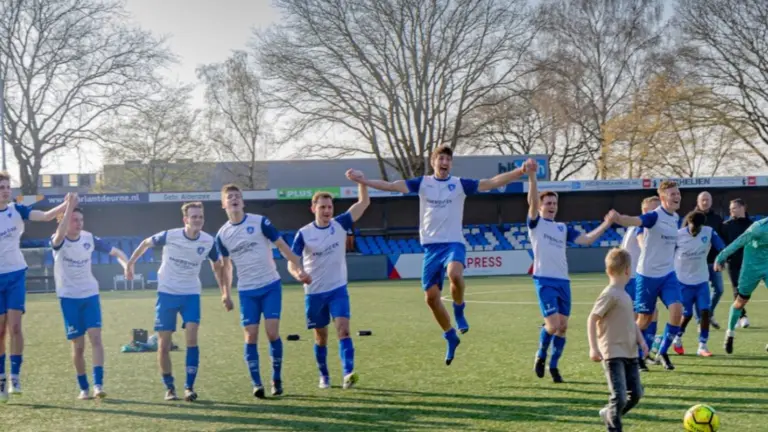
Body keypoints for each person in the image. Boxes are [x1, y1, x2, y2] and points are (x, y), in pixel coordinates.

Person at [346, 145, 534, 364]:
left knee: (455, 273)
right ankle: (450, 335)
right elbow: (390, 186)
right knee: (431, 298)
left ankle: (459, 308)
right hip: (431, 247)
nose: (444, 163)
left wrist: (520, 171)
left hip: (454, 243)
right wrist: (363, 180)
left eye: (448, 160)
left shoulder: (459, 184)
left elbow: (492, 182)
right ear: (433, 161)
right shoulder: (423, 183)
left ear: (450, 164)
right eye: (441, 159)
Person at [215, 184, 310, 399]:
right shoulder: (222, 235)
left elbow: (282, 245)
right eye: (229, 197)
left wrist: (298, 267)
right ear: (223, 204)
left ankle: (276, 379)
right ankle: (256, 383)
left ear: (243, 202)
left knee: (272, 332)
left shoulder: (260, 222)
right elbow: (226, 267)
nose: (234, 199)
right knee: (250, 335)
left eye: (237, 196)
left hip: (270, 286)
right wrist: (226, 294)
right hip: (247, 291)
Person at [528, 164, 617, 383]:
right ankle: (540, 354)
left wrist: (606, 224)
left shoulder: (562, 228)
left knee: (563, 327)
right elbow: (531, 199)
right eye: (547, 203)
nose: (551, 206)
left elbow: (586, 240)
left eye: (554, 203)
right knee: (553, 325)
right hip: (544, 280)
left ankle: (554, 366)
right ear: (540, 206)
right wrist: (532, 176)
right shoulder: (536, 224)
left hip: (563, 282)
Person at [125, 202, 221, 402]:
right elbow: (145, 243)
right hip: (167, 293)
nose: (197, 220)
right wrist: (130, 264)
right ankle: (169, 388)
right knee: (164, 344)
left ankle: (189, 387)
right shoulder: (170, 235)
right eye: (193, 217)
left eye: (200, 217)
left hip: (191, 294)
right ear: (185, 220)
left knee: (192, 339)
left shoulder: (208, 241)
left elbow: (217, 264)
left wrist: (225, 290)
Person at [288, 177, 369, 389]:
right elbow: (292, 262)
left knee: (343, 330)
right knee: (321, 338)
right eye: (322, 207)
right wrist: (298, 274)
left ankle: (347, 374)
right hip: (314, 292)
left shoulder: (340, 224)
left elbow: (363, 203)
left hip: (338, 289)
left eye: (330, 207)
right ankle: (324, 375)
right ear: (313, 208)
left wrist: (361, 182)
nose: (327, 211)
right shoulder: (304, 233)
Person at [52, 194, 129, 400]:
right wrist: (69, 207)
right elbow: (59, 237)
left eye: (80, 220)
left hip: (90, 295)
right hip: (68, 298)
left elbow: (117, 252)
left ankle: (98, 385)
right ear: (64, 221)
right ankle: (83, 388)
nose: (78, 224)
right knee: (78, 346)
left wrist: (126, 265)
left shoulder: (89, 238)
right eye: (73, 220)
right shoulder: (57, 240)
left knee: (96, 337)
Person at [0, 172, 67, 401]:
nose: (6, 190)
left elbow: (47, 216)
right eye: (2, 187)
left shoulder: (16, 210)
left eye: (8, 187)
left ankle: (14, 377)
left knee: (15, 328)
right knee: (0, 331)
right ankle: (1, 379)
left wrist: (66, 204)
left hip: (16, 274)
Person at [613, 180, 682, 371]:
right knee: (643, 320)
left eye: (678, 193)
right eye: (672, 194)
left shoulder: (675, 217)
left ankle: (663, 352)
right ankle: (633, 354)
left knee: (677, 311)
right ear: (662, 198)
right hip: (647, 276)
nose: (677, 197)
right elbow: (636, 222)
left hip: (668, 274)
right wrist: (619, 218)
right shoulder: (653, 216)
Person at [588, 248, 647, 432]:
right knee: (619, 396)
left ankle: (609, 413)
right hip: (613, 353)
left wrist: (642, 342)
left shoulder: (625, 296)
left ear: (608, 270)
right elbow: (592, 318)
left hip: (630, 353)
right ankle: (614, 426)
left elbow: (632, 323)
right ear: (629, 270)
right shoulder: (610, 294)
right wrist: (593, 348)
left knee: (635, 394)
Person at [671, 211, 724, 357]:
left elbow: (721, 247)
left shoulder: (709, 232)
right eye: (694, 227)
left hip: (701, 280)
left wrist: (721, 258)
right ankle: (678, 338)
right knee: (686, 314)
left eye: (699, 228)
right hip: (682, 282)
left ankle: (702, 345)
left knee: (705, 312)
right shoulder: (678, 235)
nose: (696, 231)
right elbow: (667, 253)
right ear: (689, 223)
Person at [714, 217, 768, 354]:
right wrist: (720, 258)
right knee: (740, 302)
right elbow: (738, 243)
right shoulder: (758, 228)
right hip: (751, 269)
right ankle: (730, 333)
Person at [620, 196, 660, 371]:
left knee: (652, 314)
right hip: (634, 278)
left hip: (644, 277)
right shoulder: (640, 226)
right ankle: (635, 356)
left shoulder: (653, 226)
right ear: (644, 211)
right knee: (641, 317)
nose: (657, 213)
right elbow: (641, 242)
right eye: (653, 209)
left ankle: (643, 354)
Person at [693, 192, 725, 329]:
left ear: (711, 201)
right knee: (698, 291)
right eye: (703, 200)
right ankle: (700, 320)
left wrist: (722, 258)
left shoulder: (717, 219)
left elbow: (721, 239)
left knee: (719, 289)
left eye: (707, 200)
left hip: (714, 261)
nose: (705, 202)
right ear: (698, 201)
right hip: (696, 262)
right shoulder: (691, 217)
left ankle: (708, 314)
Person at [721, 198, 753, 329]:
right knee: (737, 289)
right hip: (733, 263)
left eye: (734, 208)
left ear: (742, 208)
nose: (731, 211)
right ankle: (742, 316)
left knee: (746, 290)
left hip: (750, 262)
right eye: (730, 209)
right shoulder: (726, 226)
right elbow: (722, 245)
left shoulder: (752, 225)